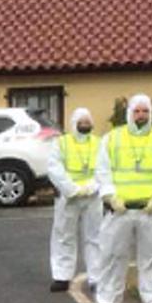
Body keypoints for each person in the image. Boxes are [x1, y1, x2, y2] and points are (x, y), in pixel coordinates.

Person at [90, 94, 152, 303]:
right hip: (119, 209)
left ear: (151, 114)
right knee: (111, 255)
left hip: (151, 210)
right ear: (129, 113)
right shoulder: (112, 139)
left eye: (145, 111)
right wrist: (110, 196)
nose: (141, 115)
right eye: (137, 111)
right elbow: (102, 170)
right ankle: (107, 299)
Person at [47, 107, 102, 293]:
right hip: (68, 197)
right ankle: (62, 276)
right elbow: (54, 167)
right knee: (63, 236)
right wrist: (71, 189)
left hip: (93, 196)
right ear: (74, 123)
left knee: (95, 237)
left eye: (87, 122)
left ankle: (97, 277)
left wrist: (93, 186)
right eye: (81, 122)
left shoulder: (99, 143)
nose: (85, 125)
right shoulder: (61, 143)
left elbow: (106, 168)